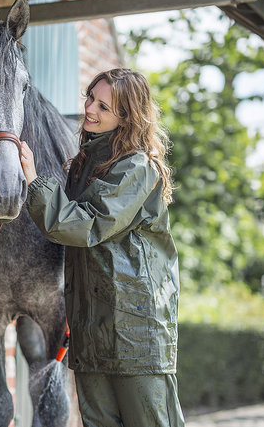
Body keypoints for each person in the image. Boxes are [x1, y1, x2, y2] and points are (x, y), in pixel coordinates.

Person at [20, 68, 184, 427]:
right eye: (90, 97)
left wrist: (34, 182)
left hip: (135, 333)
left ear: (127, 117)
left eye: (103, 106)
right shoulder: (83, 165)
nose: (90, 109)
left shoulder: (138, 167)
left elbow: (86, 226)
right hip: (90, 333)